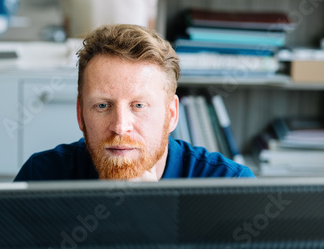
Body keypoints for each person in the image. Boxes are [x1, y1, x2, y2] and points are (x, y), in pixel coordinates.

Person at [15, 24, 255, 181]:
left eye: (138, 106)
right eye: (102, 106)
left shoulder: (228, 185)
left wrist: (152, 211)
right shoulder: (42, 177)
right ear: (80, 114)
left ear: (171, 114)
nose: (120, 126)